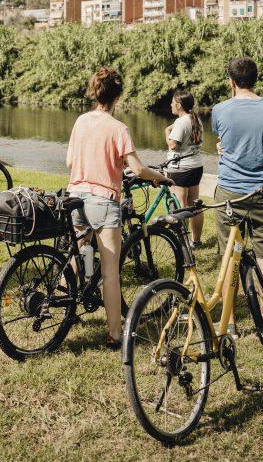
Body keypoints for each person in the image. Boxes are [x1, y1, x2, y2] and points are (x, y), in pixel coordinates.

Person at [66, 67, 174, 350]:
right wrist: (159, 176)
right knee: (110, 272)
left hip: (76, 195)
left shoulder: (80, 121)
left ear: (94, 91)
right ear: (118, 96)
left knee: (79, 252)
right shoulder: (118, 128)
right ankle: (115, 332)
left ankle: (68, 307)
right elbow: (137, 168)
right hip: (102, 201)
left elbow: (69, 162)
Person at [211, 56, 263, 330]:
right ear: (256, 79)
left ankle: (229, 321)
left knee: (229, 254)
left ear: (231, 81)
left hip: (230, 192)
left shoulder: (220, 109)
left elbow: (223, 140)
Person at [165, 89, 205, 247]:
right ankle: (196, 241)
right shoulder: (196, 119)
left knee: (181, 205)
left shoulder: (181, 122)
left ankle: (183, 244)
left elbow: (173, 145)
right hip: (196, 167)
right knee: (195, 205)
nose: (170, 105)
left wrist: (166, 132)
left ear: (179, 105)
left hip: (181, 169)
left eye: (172, 102)